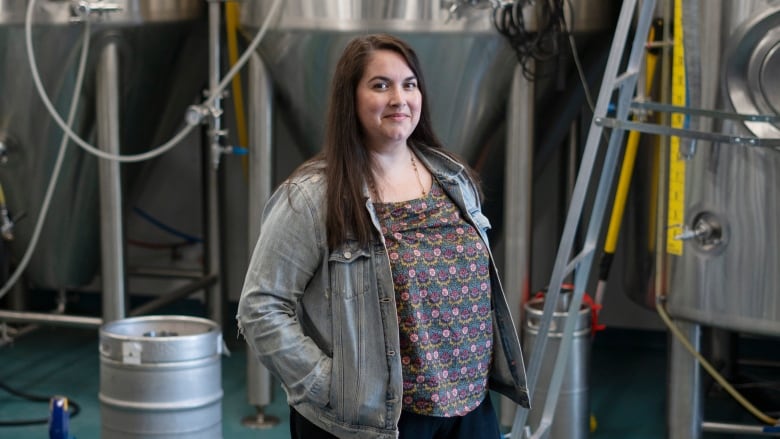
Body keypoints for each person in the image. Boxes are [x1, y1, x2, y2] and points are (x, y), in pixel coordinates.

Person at [236, 33, 529, 439]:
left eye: (409, 84)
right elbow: (261, 307)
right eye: (380, 85)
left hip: (470, 408)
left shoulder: (453, 178)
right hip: (375, 420)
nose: (399, 98)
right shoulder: (312, 196)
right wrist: (331, 387)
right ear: (349, 100)